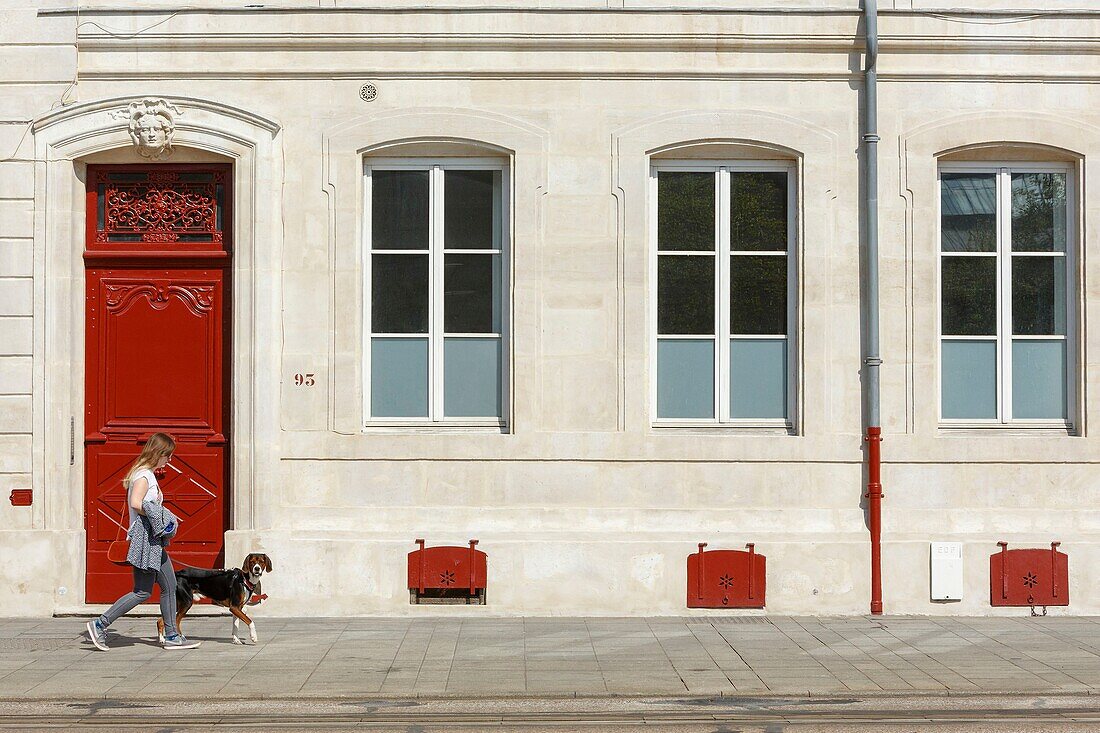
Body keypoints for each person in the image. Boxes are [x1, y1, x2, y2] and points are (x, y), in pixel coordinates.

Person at [85, 433, 200, 651]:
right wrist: (163, 516)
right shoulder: (143, 476)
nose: (170, 460)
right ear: (159, 453)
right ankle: (100, 624)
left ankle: (172, 635)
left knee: (164, 587)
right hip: (146, 543)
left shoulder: (145, 475)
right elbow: (137, 503)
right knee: (144, 592)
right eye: (168, 455)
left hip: (152, 541)